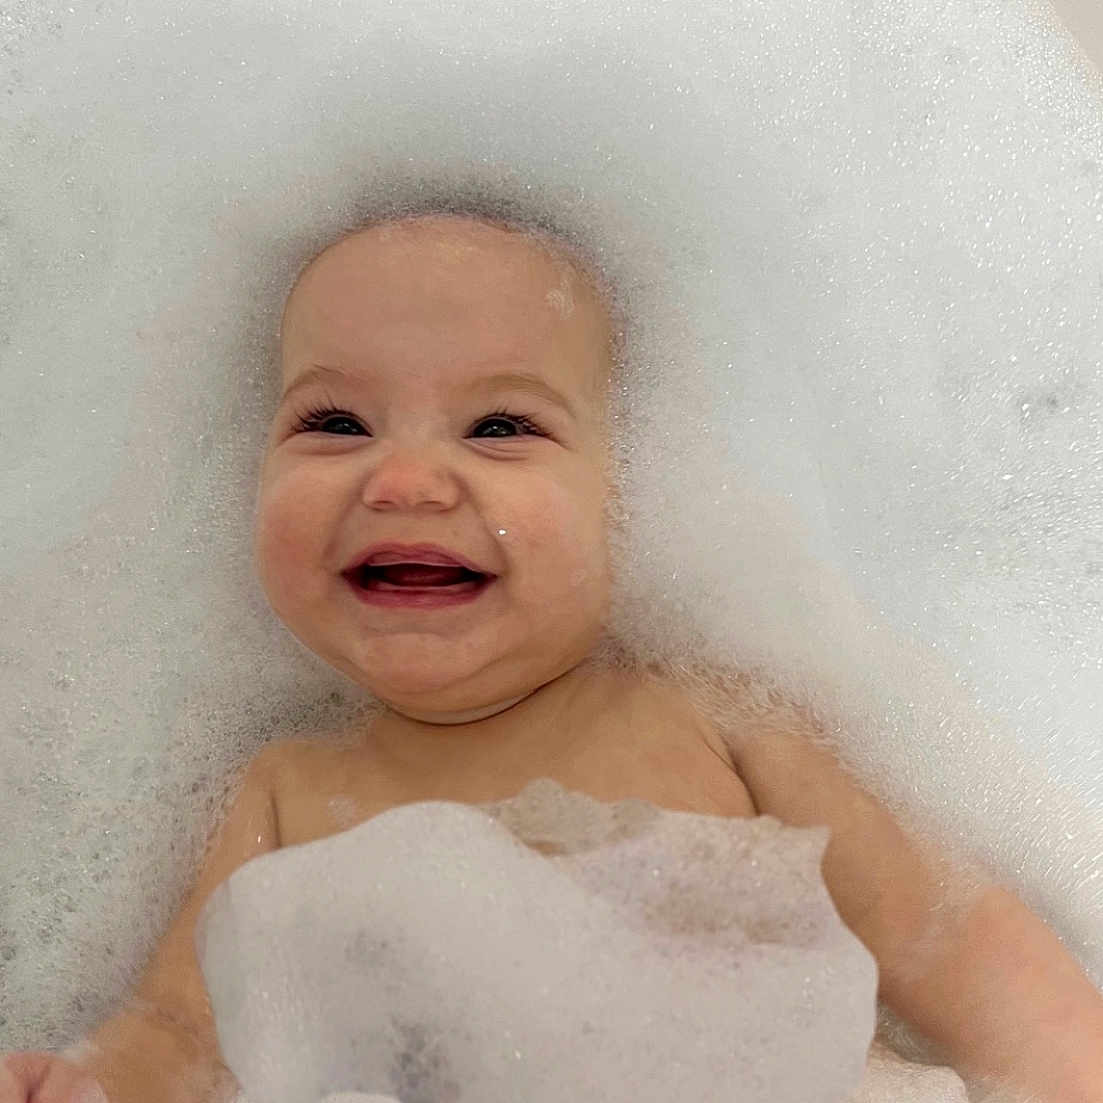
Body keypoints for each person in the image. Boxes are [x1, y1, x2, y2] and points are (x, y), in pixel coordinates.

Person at [3, 211, 1103, 1103]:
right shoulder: (282, 788)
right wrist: (97, 1080)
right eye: (334, 420)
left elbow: (957, 942)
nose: (404, 480)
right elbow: (182, 1032)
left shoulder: (715, 724)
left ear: (630, 497)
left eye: (499, 428)